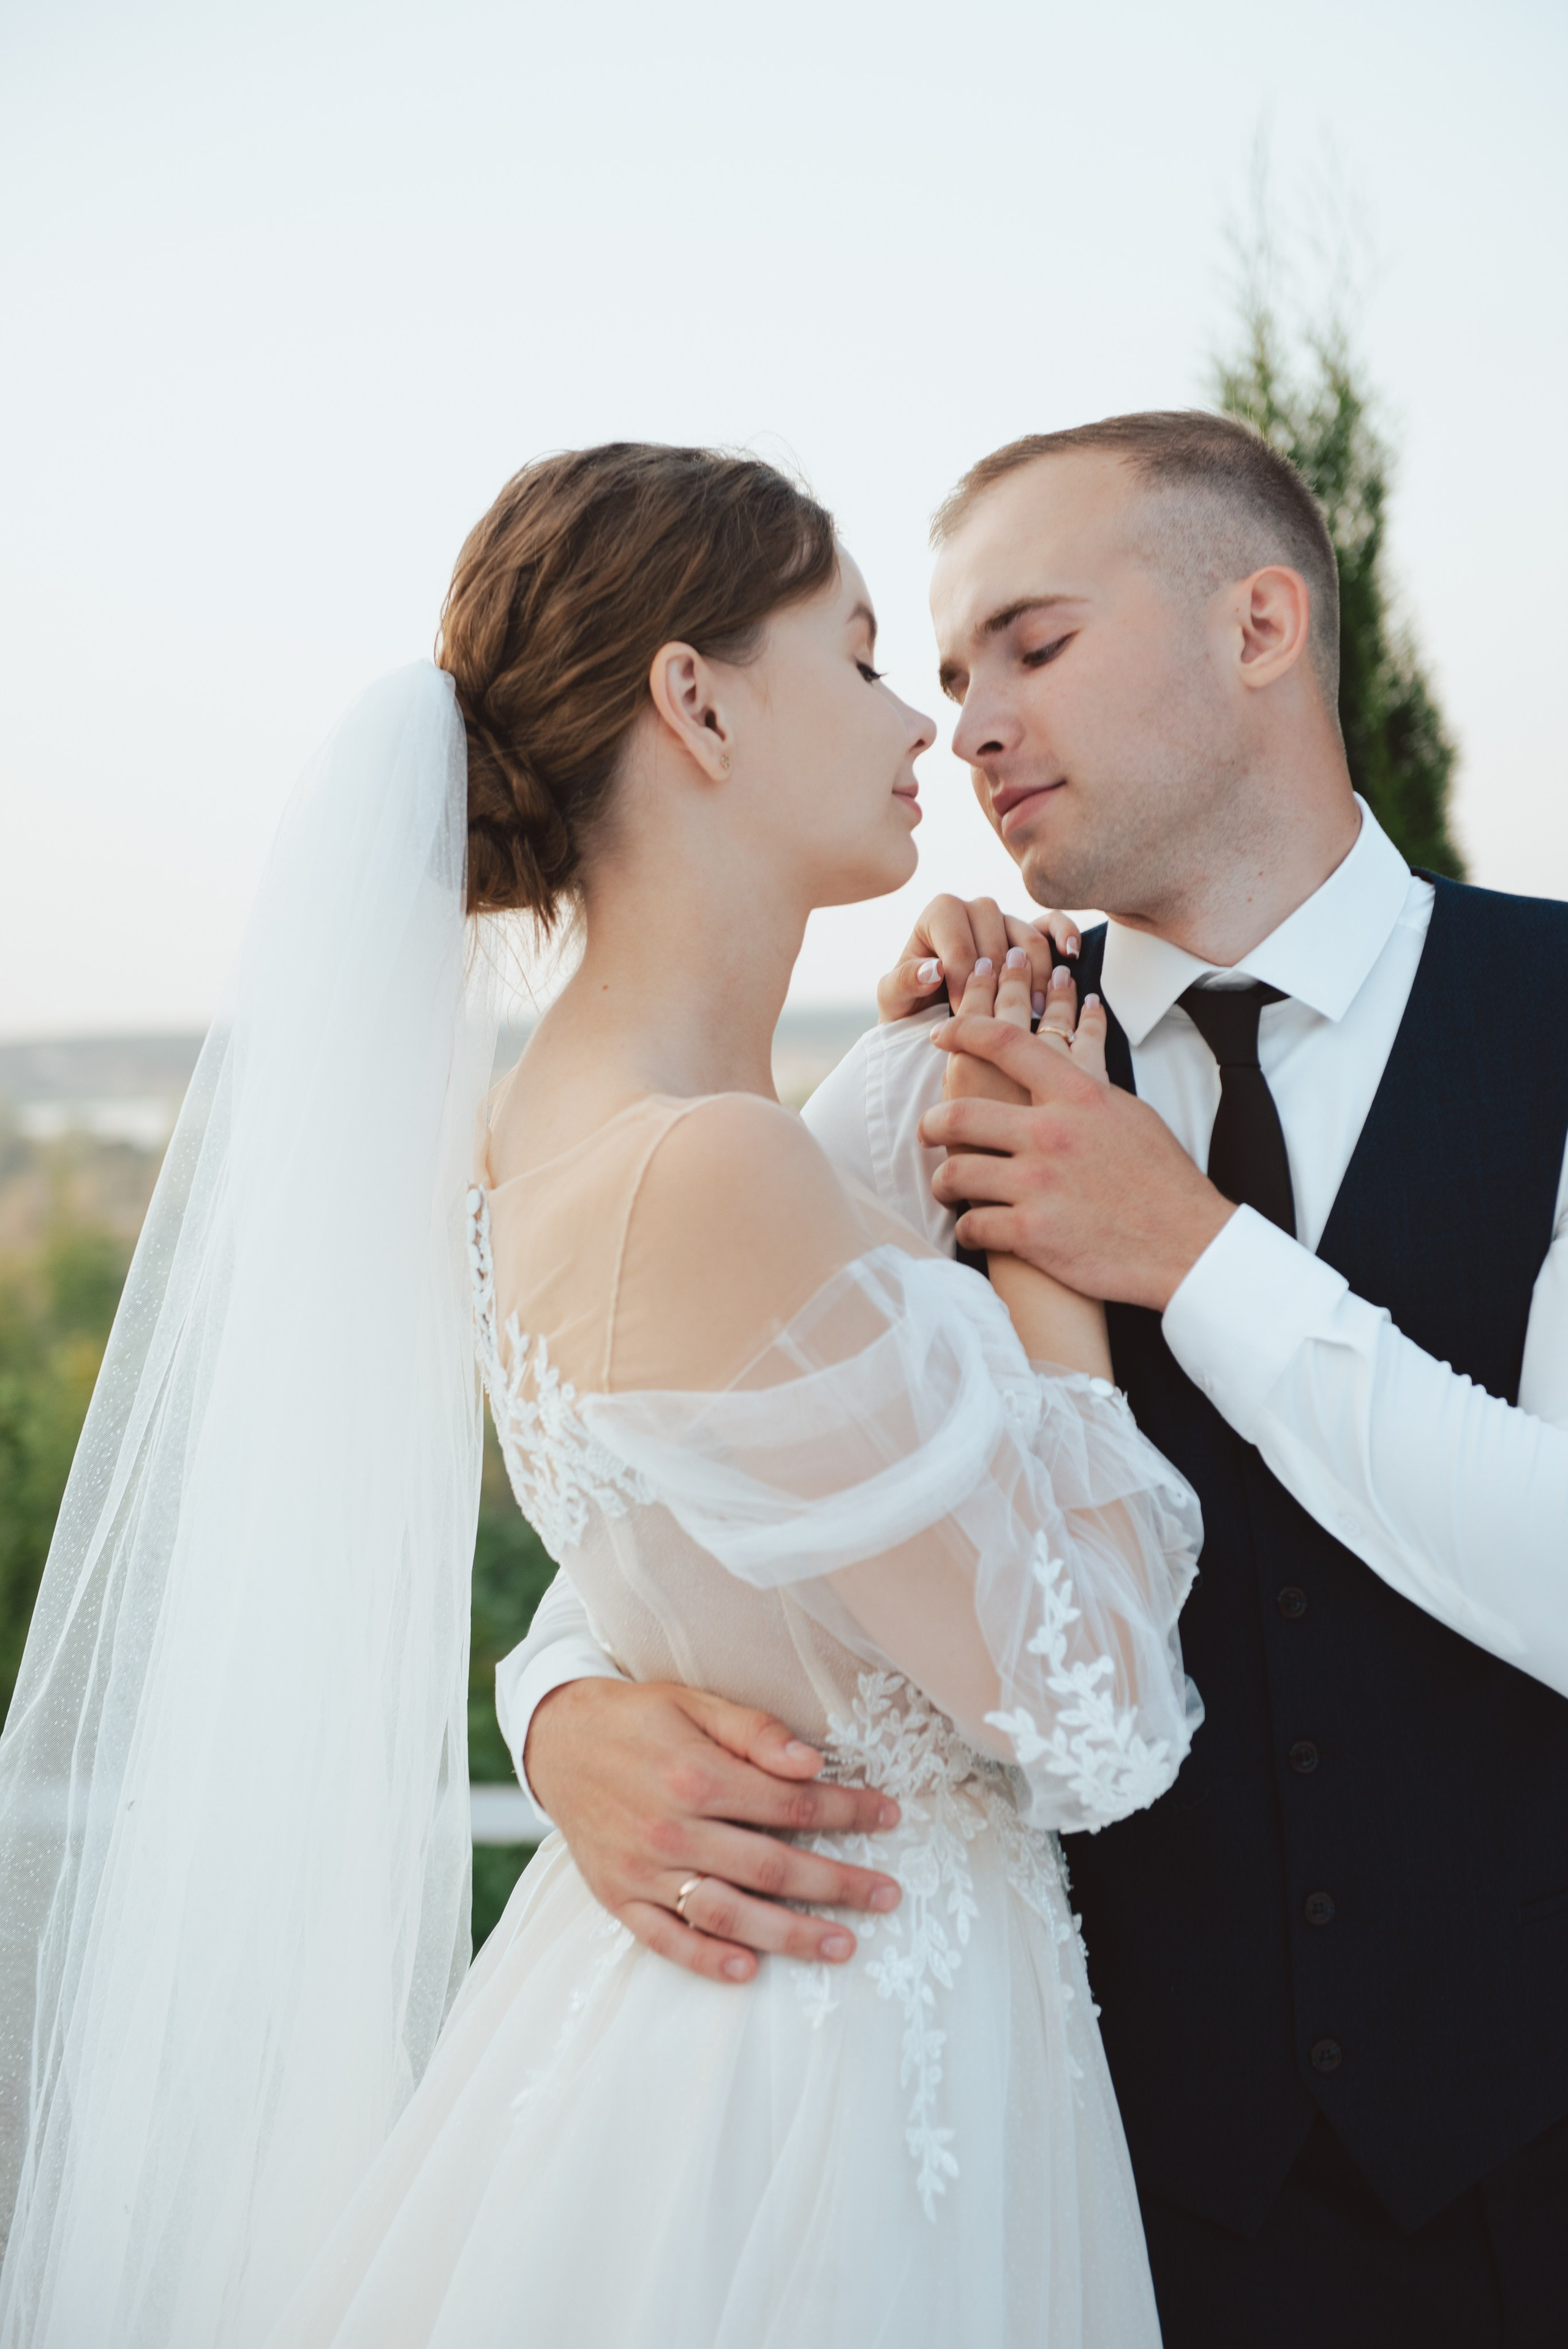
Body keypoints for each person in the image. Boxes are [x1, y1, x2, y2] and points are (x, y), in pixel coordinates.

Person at [0, 443, 1203, 2347]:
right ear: (695, 695)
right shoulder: (707, 1173)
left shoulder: (559, 1140)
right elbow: (1105, 1706)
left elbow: (733, 1540)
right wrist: (1050, 1229)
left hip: (700, 2010)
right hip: (827, 2089)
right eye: (867, 651)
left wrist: (915, 1095)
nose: (928, 725)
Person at [507, 414, 1568, 2348]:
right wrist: (560, 1710)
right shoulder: (940, 1065)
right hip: (1085, 2199)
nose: (965, 719)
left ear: (1260, 624)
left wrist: (1193, 1255)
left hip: (1531, 2193)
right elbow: (703, 1472)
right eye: (937, 661)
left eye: (1033, 644)